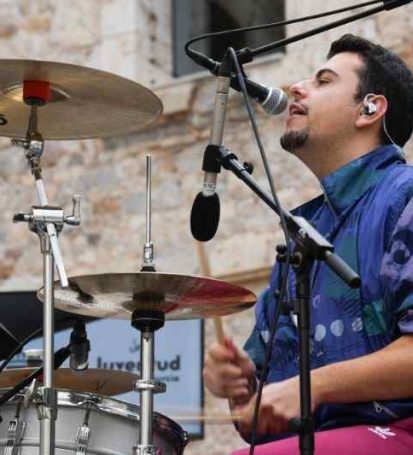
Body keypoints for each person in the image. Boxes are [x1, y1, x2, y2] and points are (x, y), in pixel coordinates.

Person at [203, 34, 413, 454]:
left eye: (323, 80)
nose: (297, 88)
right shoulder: (302, 236)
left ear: (370, 108)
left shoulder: (404, 197)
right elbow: (257, 417)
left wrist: (311, 386)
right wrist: (240, 386)